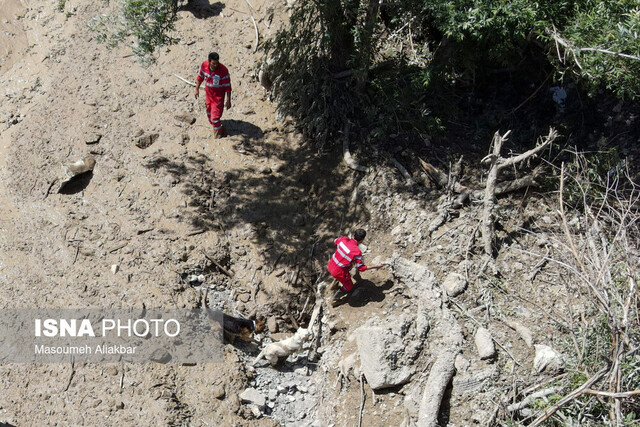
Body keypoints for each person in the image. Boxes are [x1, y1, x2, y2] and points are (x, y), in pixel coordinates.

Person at [327, 229, 383, 306]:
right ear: (362, 239)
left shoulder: (344, 239)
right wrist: (376, 266)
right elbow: (361, 268)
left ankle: (335, 284)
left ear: (354, 234)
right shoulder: (356, 252)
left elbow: (335, 241)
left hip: (331, 264)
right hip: (339, 272)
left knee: (346, 268)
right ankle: (335, 298)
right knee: (349, 286)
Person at [194, 52, 232, 138]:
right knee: (209, 114)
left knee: (215, 118)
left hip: (218, 98)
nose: (215, 65)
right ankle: (219, 128)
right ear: (209, 61)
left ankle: (218, 137)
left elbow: (228, 87)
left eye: (217, 63)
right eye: (213, 63)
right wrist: (196, 89)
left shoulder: (223, 71)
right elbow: (200, 77)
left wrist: (228, 100)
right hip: (208, 96)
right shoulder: (204, 66)